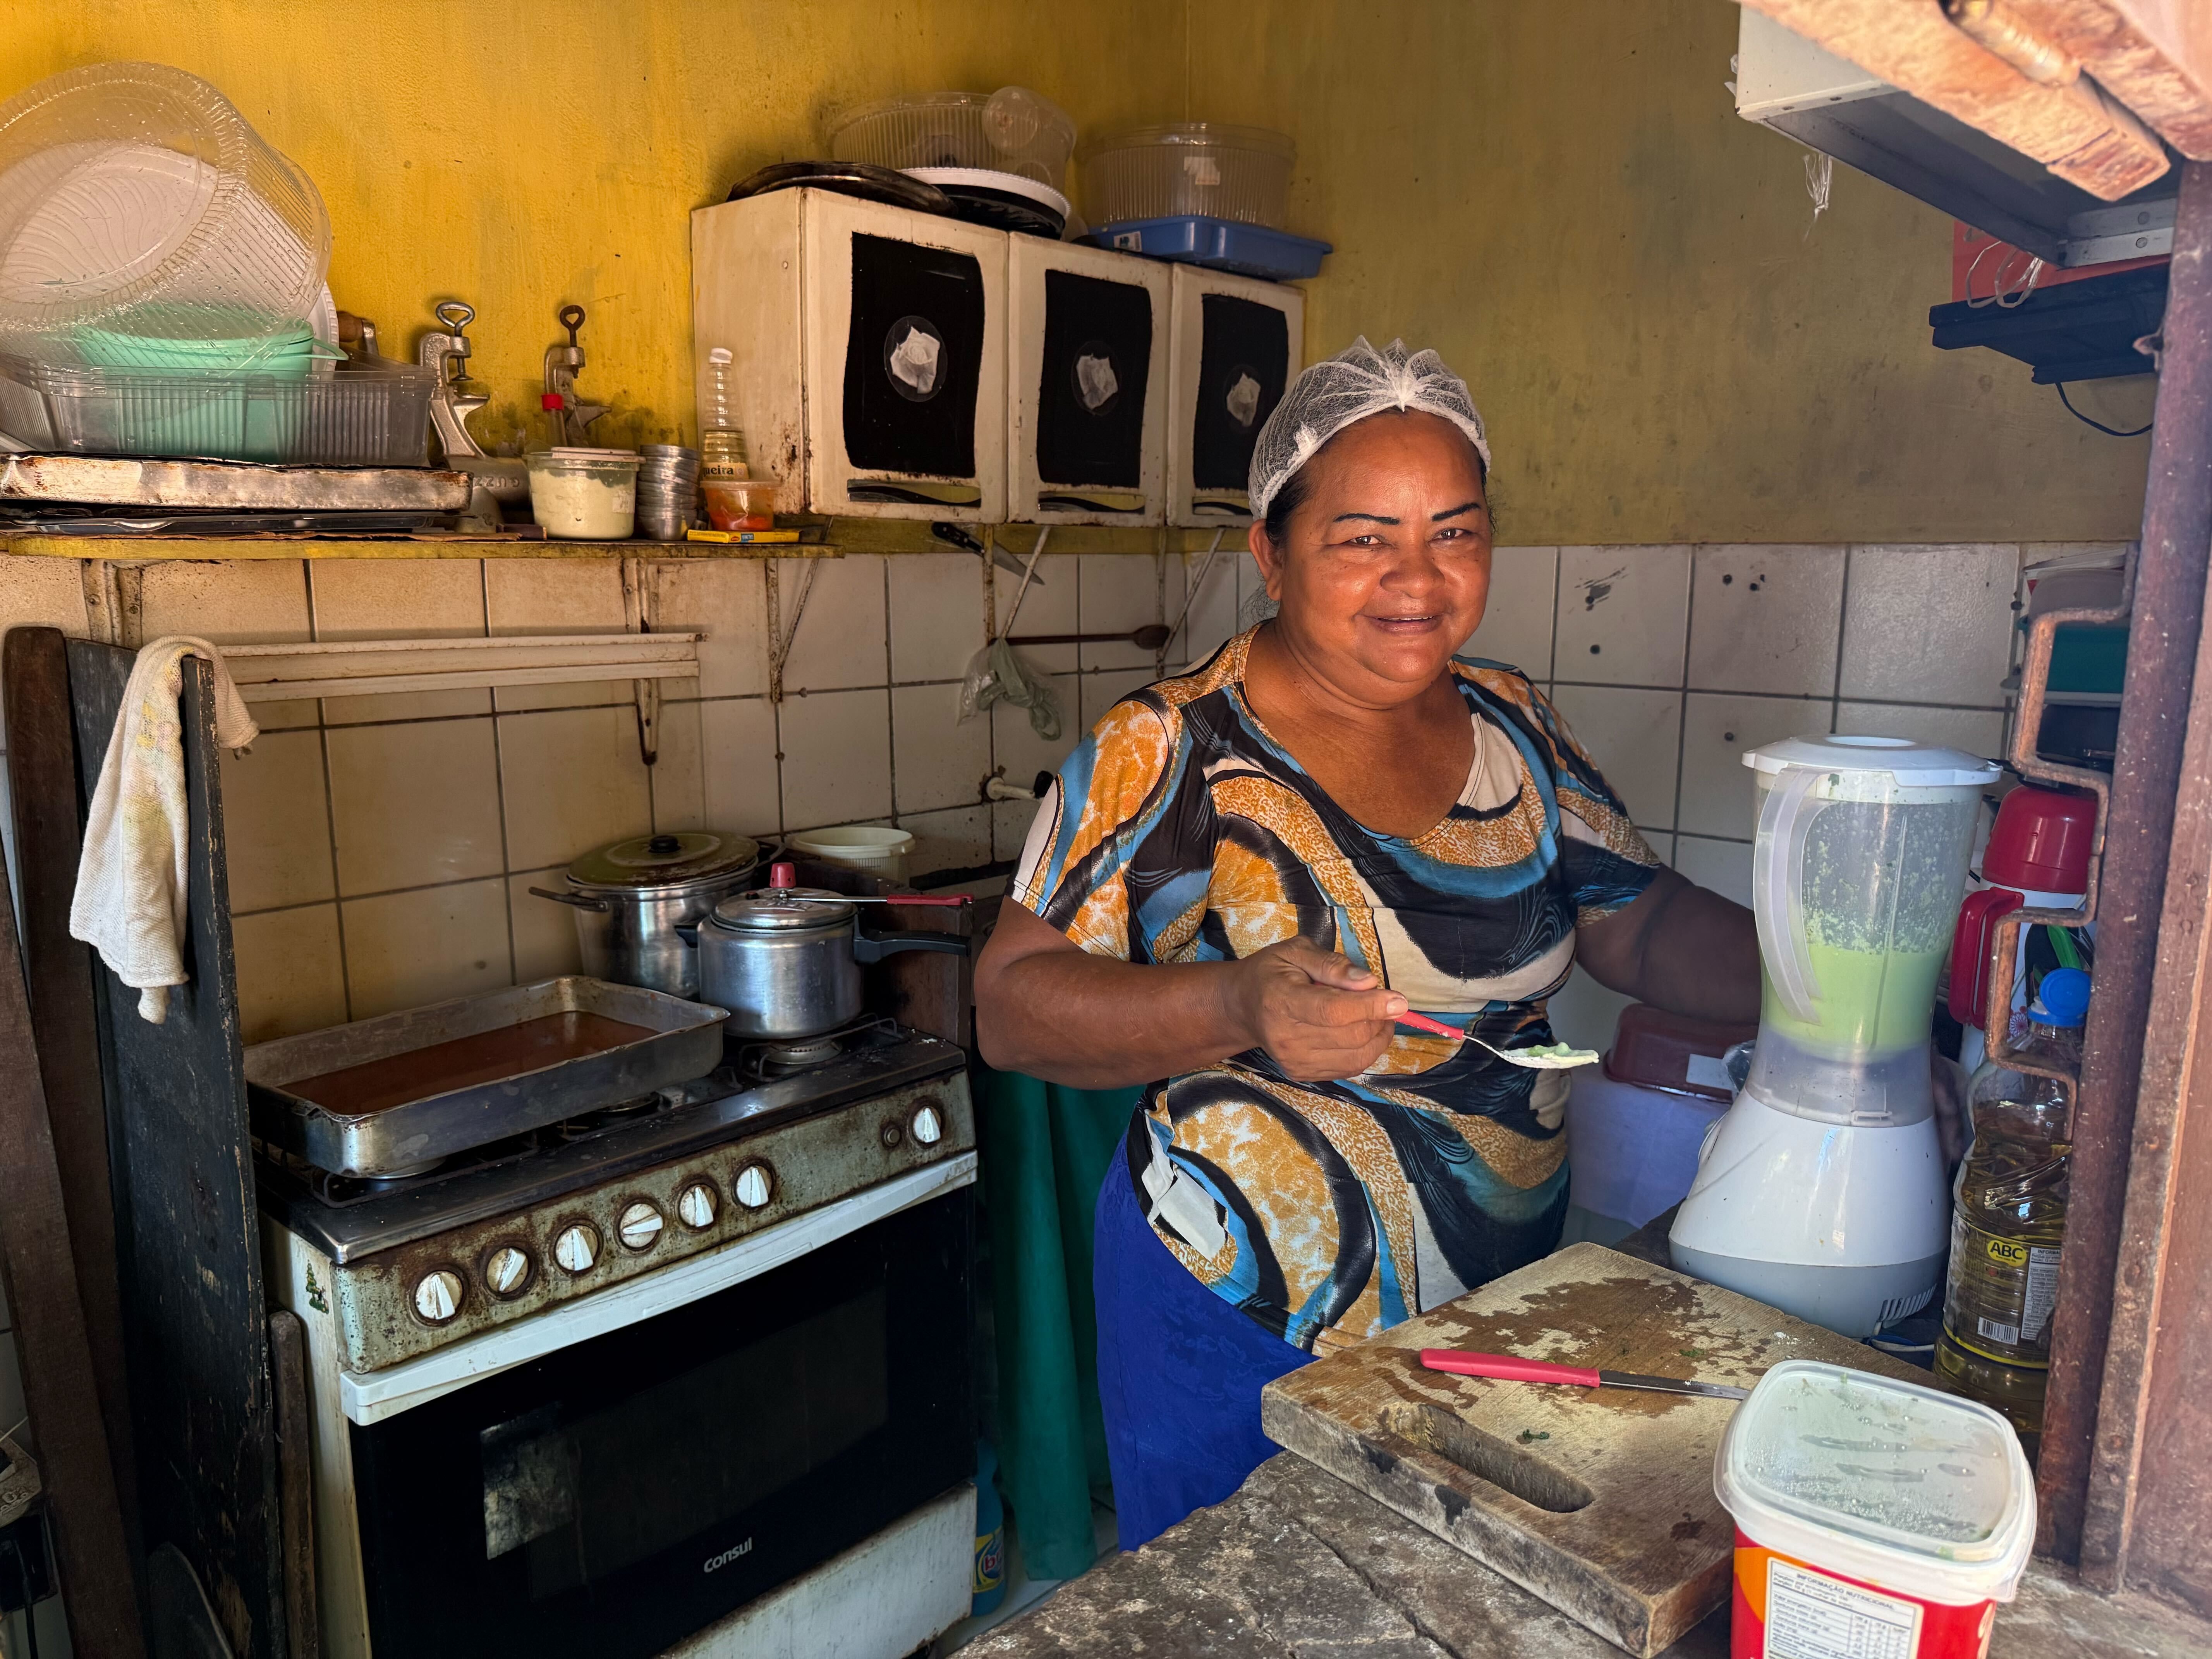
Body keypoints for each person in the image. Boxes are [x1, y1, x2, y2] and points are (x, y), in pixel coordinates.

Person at [972, 337, 1760, 1551]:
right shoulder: (1168, 748)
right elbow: (1012, 1002)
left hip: (1497, 1315)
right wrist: (1239, 1006)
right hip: (1241, 1310)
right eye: (1362, 537)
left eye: (1455, 531)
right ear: (1271, 551)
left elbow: (1637, 921)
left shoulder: (1516, 723)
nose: (1418, 578)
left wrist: (1840, 1004)